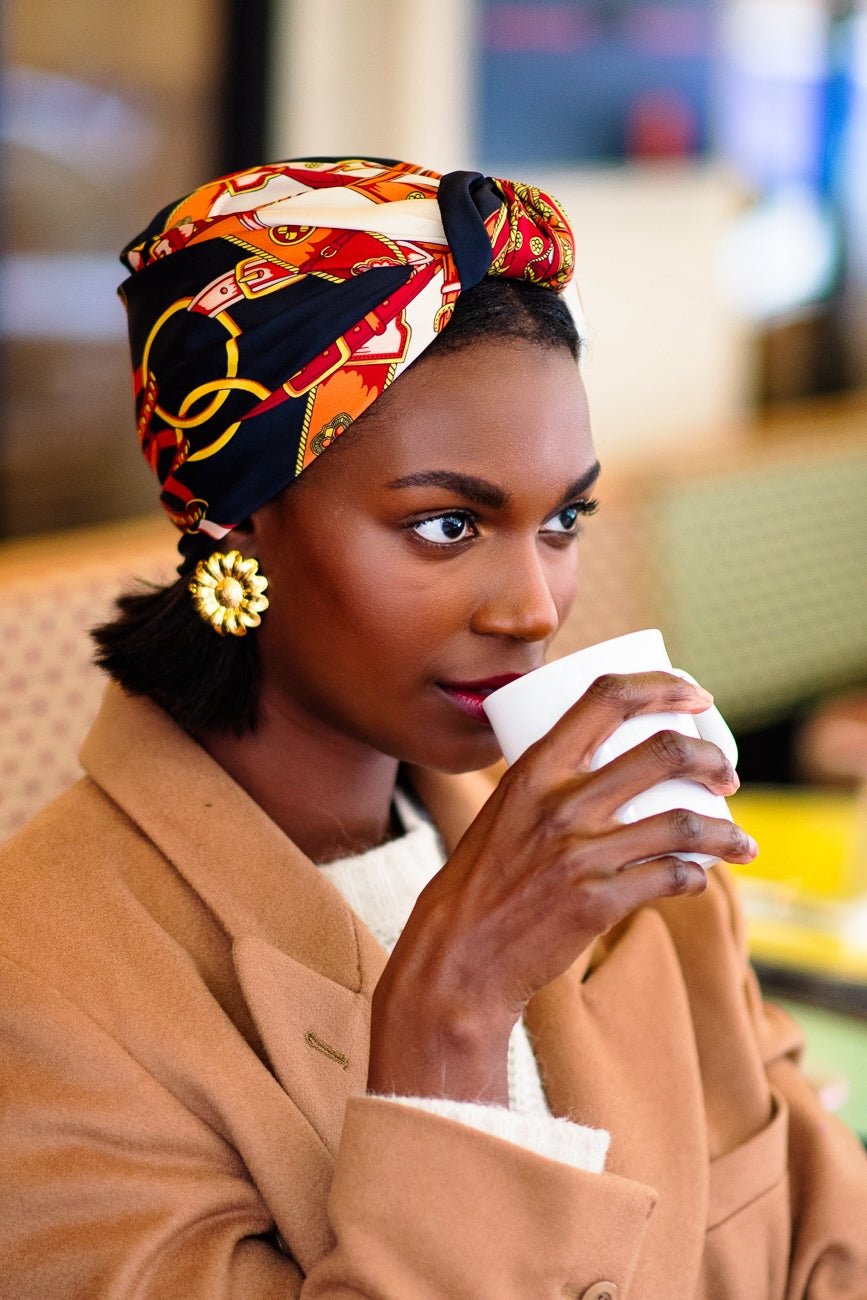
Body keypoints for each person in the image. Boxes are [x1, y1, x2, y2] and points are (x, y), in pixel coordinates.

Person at [1, 157, 865, 1300]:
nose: (537, 607)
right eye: (448, 523)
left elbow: (822, 1239)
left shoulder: (606, 846)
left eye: (563, 518)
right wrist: (451, 1019)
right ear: (241, 523)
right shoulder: (46, 986)